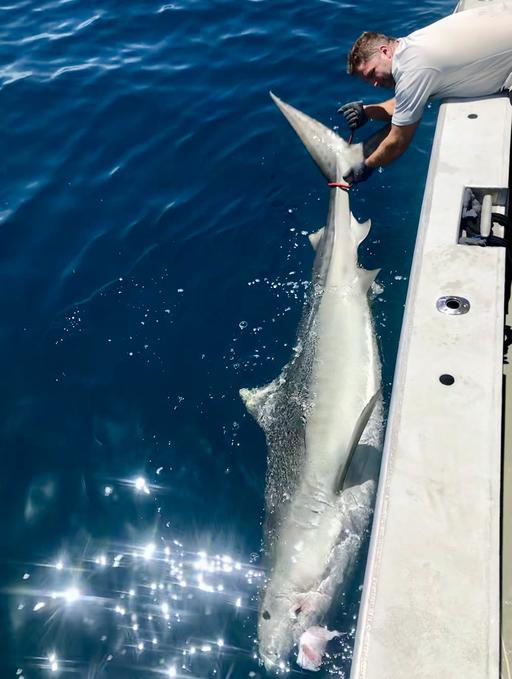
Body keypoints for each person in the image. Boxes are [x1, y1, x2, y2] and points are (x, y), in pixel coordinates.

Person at [340, 3, 512, 184]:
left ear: (385, 52)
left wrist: (367, 165)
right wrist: (367, 112)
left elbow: (397, 142)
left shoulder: (413, 70)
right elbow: (403, 102)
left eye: (372, 73)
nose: (375, 83)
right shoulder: (412, 46)